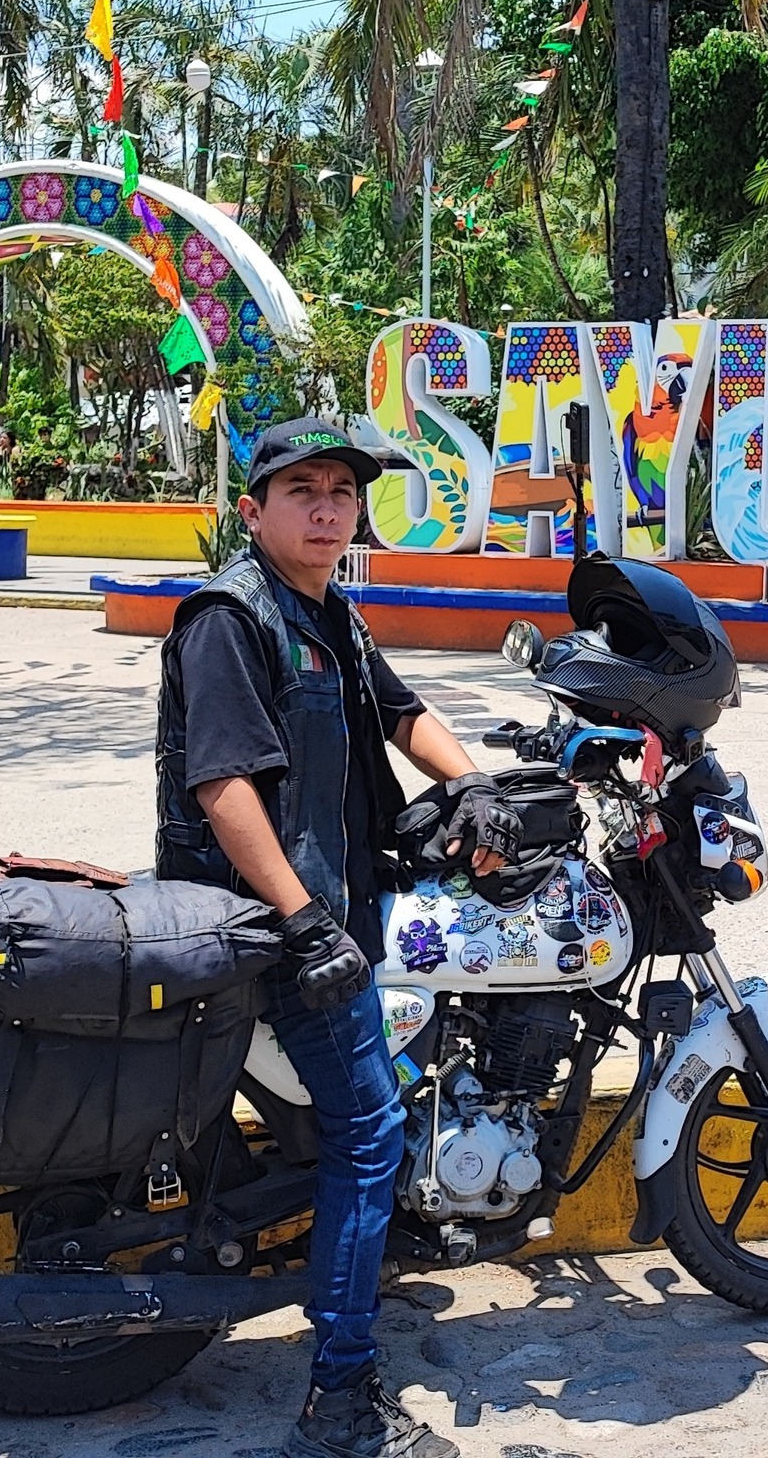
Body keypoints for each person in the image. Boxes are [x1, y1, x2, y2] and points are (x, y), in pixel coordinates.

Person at [154, 417, 521, 1458]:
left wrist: (474, 782)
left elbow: (402, 715)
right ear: (253, 508)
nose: (326, 508)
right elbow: (223, 785)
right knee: (370, 1136)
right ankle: (340, 1400)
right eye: (303, 489)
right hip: (268, 924)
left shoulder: (326, 614)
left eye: (342, 494)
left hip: (325, 910)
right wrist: (304, 921)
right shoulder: (230, 617)